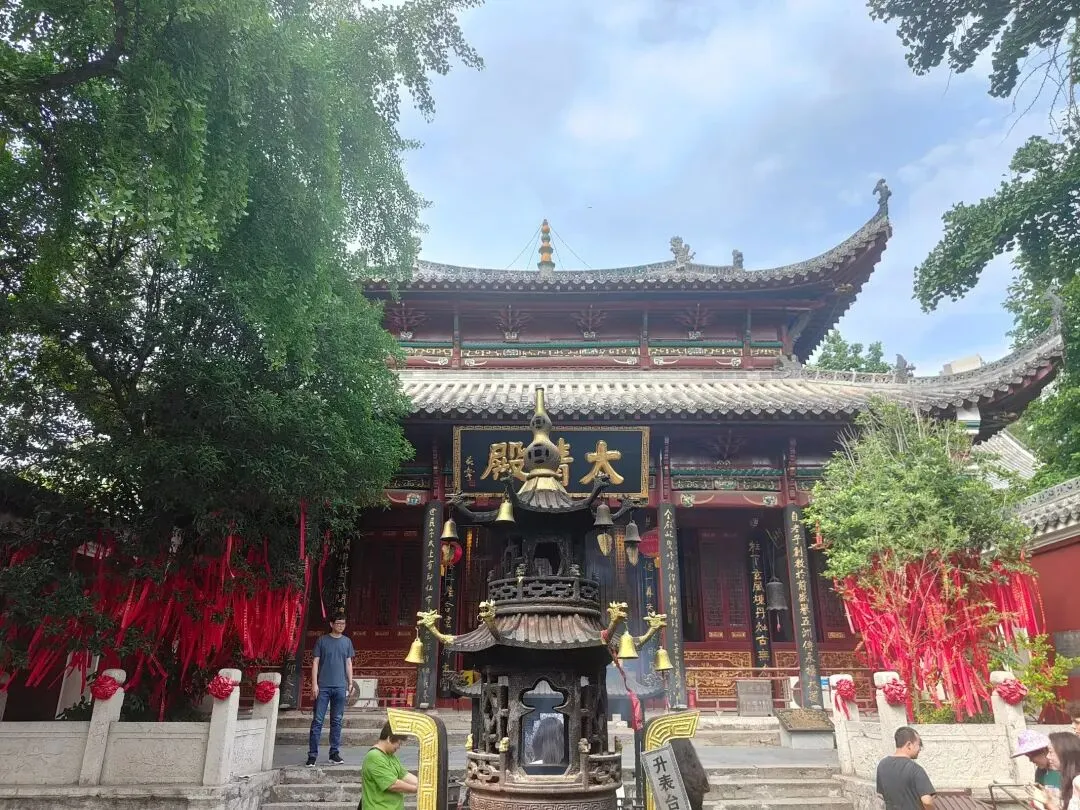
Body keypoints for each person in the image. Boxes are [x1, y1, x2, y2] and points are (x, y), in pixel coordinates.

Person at [306, 614, 355, 766]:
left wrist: (350, 683)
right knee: (317, 721)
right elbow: (315, 663)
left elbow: (348, 663)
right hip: (323, 686)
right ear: (331, 624)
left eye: (343, 624)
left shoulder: (347, 641)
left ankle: (334, 753)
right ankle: (312, 755)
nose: (341, 626)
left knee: (337, 721)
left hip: (340, 686)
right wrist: (314, 684)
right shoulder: (322, 640)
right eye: (338, 623)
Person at [362, 721, 418, 810]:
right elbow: (392, 785)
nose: (399, 747)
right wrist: (418, 789)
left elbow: (404, 775)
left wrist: (423, 785)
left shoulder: (390, 756)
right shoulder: (374, 756)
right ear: (389, 739)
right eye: (399, 743)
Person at [876, 726, 935, 810]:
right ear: (909, 745)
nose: (920, 749)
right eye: (919, 745)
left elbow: (881, 796)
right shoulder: (915, 769)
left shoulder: (882, 765)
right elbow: (927, 801)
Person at [1044, 731, 1080, 810]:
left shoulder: (1078, 781)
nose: (1047, 756)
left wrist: (1048, 804)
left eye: (1050, 752)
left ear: (1064, 753)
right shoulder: (1070, 780)